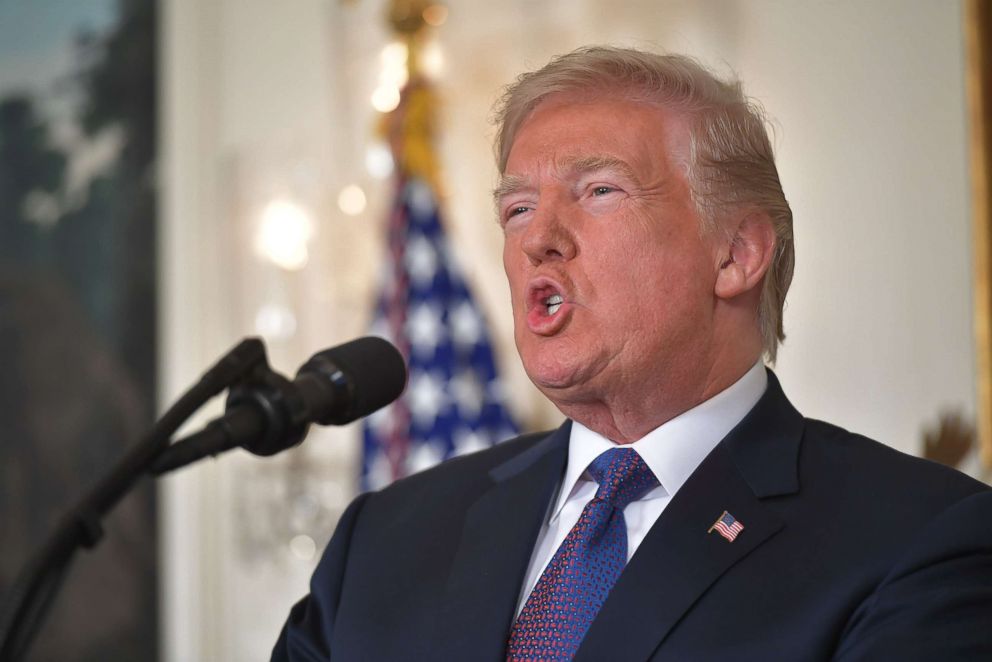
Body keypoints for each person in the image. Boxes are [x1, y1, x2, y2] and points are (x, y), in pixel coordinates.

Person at [272, 47, 992, 661]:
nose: (537, 239)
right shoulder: (385, 542)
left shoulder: (918, 542)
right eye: (517, 208)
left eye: (599, 191)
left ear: (736, 254)